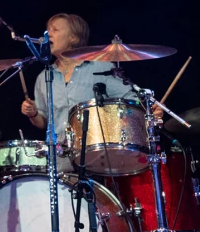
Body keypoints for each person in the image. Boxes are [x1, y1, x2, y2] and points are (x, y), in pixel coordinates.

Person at [20, 14, 133, 153]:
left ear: (74, 38)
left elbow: (131, 100)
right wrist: (33, 113)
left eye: (55, 29)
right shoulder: (43, 77)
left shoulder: (100, 68)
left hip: (95, 155)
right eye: (47, 30)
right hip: (59, 158)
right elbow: (42, 122)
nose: (48, 34)